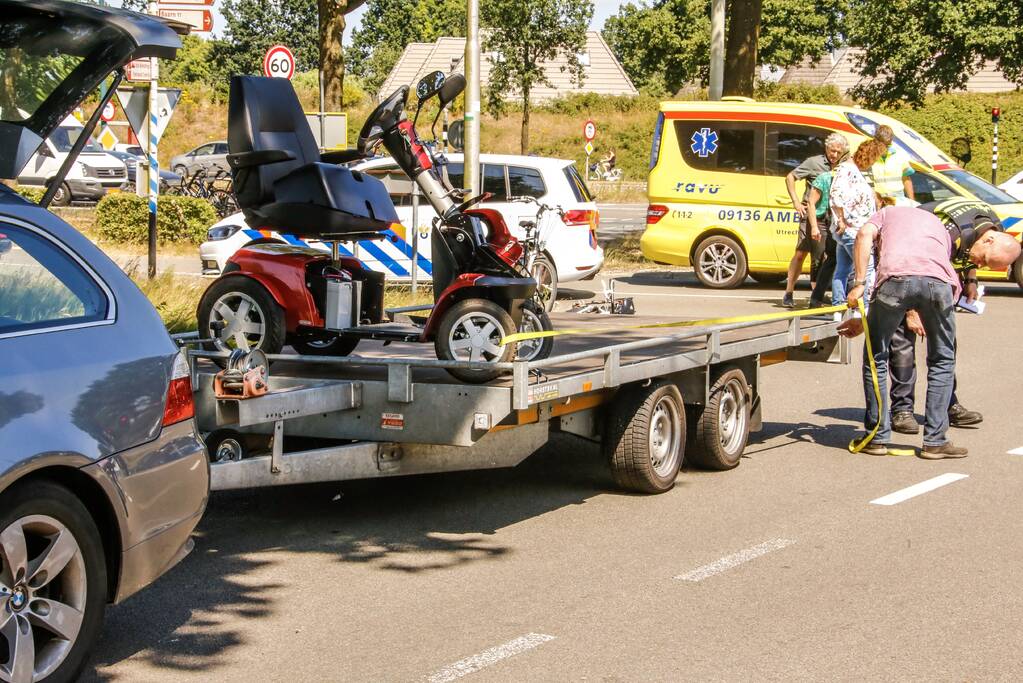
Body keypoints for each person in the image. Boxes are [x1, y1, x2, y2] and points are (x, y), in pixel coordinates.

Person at [840, 205, 1020, 458]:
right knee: (943, 360)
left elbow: (863, 236)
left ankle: (877, 436)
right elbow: (931, 265)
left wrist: (859, 284)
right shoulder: (941, 227)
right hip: (940, 284)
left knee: (875, 357)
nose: (979, 263)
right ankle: (935, 441)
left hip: (896, 280)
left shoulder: (888, 214)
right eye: (985, 260)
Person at [889, 198, 1011, 434]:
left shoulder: (991, 227)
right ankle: (902, 410)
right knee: (903, 344)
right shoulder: (947, 231)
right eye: (984, 260)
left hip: (938, 277)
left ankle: (946, 403)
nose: (980, 263)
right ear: (988, 240)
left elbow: (970, 250)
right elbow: (911, 265)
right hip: (905, 270)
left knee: (945, 347)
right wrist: (911, 311)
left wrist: (972, 279)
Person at [781, 133, 848, 308]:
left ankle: (817, 294)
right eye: (832, 150)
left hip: (830, 216)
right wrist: (796, 202)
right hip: (811, 213)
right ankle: (789, 292)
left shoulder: (844, 165)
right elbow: (790, 177)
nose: (834, 154)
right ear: (826, 148)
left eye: (838, 152)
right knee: (801, 253)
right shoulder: (814, 162)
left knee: (823, 256)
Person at [828, 139, 885, 310]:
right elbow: (836, 196)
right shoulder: (847, 170)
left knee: (843, 268)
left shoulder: (852, 170)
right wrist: (841, 220)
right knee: (866, 270)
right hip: (853, 230)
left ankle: (838, 307)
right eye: (873, 160)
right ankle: (865, 309)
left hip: (853, 228)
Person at [868, 125, 915, 203]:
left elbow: (906, 179)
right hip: (877, 199)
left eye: (888, 145)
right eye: (882, 144)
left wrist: (912, 201)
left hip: (897, 198)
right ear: (876, 141)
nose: (885, 148)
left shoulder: (900, 155)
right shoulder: (869, 156)